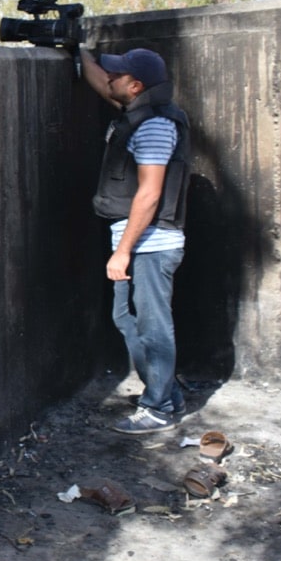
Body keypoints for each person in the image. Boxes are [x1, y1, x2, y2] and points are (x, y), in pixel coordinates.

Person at [80, 47, 191, 435]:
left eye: (117, 75)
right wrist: (77, 49)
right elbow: (102, 83)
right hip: (137, 241)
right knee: (127, 319)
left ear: (136, 85)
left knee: (153, 326)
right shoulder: (138, 111)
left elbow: (149, 194)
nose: (109, 79)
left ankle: (159, 407)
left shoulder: (155, 125)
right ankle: (166, 394)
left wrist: (123, 252)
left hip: (151, 243)